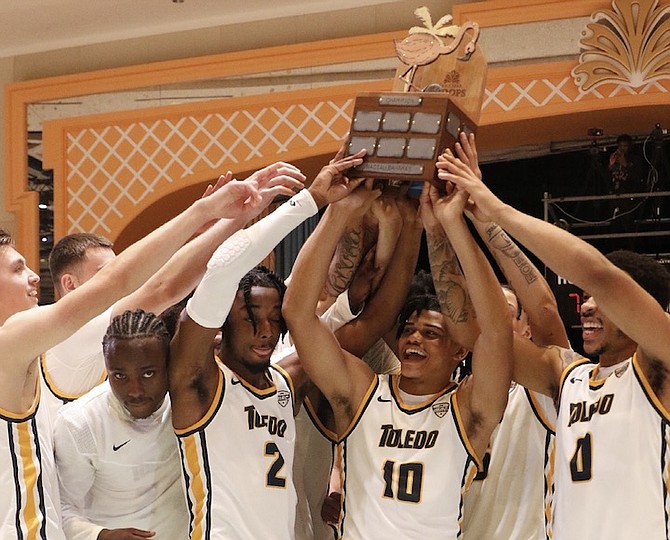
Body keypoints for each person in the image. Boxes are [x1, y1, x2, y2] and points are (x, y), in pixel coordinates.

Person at [0, 172, 282, 539]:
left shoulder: (40, 349)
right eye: (17, 269)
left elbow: (164, 287)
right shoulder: (15, 342)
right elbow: (127, 283)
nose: (34, 276)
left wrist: (228, 223)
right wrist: (206, 213)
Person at [439, 131, 670, 539]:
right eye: (588, 299)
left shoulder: (660, 364)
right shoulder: (569, 377)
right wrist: (455, 223)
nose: (587, 305)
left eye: (603, 301)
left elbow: (597, 275)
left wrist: (497, 209)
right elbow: (478, 332)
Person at [282, 176, 513, 537]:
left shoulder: (469, 407)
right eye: (408, 329)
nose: (414, 338)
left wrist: (450, 227)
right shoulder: (363, 391)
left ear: (460, 349)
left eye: (431, 333)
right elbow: (297, 313)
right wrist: (338, 212)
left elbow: (497, 334)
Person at [168, 151, 367, 539]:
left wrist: (341, 212)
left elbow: (362, 326)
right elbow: (223, 268)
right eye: (250, 318)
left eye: (274, 320)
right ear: (221, 324)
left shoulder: (283, 382)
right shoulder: (197, 381)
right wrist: (311, 201)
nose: (265, 330)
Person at [41, 166, 304, 416]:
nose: (120, 282)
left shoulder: (123, 336)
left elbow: (167, 284)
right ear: (69, 284)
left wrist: (203, 233)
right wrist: (232, 215)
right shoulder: (67, 337)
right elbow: (165, 288)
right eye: (105, 274)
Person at [54, 308, 188, 540]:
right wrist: (101, 535)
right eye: (119, 376)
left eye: (148, 374)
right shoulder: (81, 423)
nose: (134, 391)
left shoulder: (189, 407)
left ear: (168, 365)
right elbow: (61, 507)